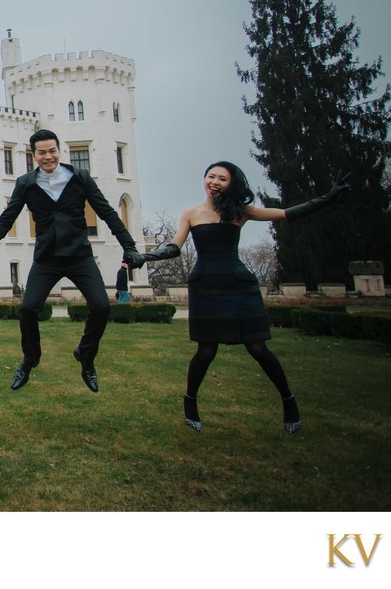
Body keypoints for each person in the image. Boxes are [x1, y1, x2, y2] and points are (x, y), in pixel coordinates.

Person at [128, 161, 349, 434]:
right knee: (206, 351)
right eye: (211, 176)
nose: (215, 182)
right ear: (205, 180)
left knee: (258, 348)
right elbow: (174, 248)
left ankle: (289, 402)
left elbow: (287, 213)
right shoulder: (191, 213)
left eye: (222, 178)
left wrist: (328, 197)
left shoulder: (240, 212)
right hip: (206, 286)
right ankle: (190, 403)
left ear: (231, 184)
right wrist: (143, 257)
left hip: (238, 285)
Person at [0, 129, 140, 393]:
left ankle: (86, 356)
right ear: (33, 155)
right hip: (47, 258)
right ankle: (30, 358)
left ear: (59, 150)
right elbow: (7, 219)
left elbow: (107, 213)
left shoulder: (80, 177)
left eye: (52, 150)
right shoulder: (26, 184)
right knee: (28, 308)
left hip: (79, 256)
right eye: (42, 152)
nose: (48, 156)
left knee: (101, 307)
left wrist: (129, 247)